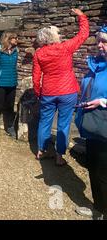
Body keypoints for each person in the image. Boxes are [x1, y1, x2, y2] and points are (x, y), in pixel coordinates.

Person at [33, 9, 89, 166]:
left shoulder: (39, 53)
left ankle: (41, 151)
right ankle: (59, 157)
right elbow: (83, 35)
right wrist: (81, 16)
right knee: (63, 124)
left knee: (45, 122)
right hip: (67, 91)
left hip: (48, 92)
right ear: (52, 37)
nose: (60, 35)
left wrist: (38, 93)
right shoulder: (65, 47)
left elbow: (36, 78)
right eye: (57, 33)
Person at [75, 25, 107, 220]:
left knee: (103, 171)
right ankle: (99, 208)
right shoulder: (95, 65)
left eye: (105, 42)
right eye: (98, 41)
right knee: (95, 169)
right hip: (95, 125)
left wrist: (102, 101)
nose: (100, 45)